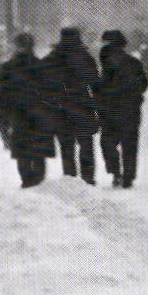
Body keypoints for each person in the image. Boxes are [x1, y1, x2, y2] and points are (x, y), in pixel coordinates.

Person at [43, 27, 101, 184]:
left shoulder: (52, 58)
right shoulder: (84, 57)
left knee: (66, 146)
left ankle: (70, 179)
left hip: (59, 108)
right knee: (86, 144)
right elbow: (95, 83)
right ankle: (88, 179)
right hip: (82, 105)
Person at [0, 33, 57, 188]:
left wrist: (3, 118)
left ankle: (26, 180)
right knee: (39, 151)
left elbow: (3, 95)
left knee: (22, 151)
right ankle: (38, 180)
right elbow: (51, 94)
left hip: (18, 115)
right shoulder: (43, 66)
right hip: (40, 114)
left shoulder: (8, 67)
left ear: (17, 46)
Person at [94, 30, 148, 189]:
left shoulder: (106, 63)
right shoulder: (134, 62)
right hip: (131, 109)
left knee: (108, 142)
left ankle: (116, 172)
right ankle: (128, 177)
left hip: (110, 110)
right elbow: (144, 83)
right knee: (130, 143)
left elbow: (99, 87)